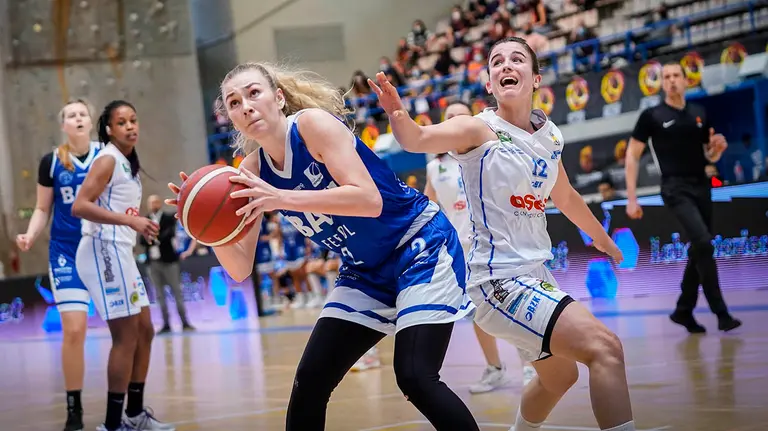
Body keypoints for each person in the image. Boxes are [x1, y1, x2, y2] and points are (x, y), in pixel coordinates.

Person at [166, 62, 478, 431]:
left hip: (419, 244)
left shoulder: (312, 125)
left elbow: (369, 200)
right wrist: (206, 229)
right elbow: (239, 268)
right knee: (310, 380)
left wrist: (281, 197)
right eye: (234, 103)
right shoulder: (250, 171)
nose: (246, 106)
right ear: (231, 119)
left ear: (278, 98)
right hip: (365, 270)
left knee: (414, 376)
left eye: (254, 93)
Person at [369, 36, 635, 431]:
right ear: (490, 83)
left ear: (536, 78)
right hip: (497, 282)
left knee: (560, 377)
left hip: (535, 275)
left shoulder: (550, 136)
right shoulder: (478, 129)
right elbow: (417, 139)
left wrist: (603, 239)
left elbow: (566, 196)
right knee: (606, 348)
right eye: (496, 62)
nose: (506, 65)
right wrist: (397, 114)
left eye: (516, 59)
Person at [72, 100, 174, 431]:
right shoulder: (107, 160)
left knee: (145, 330)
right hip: (102, 250)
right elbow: (80, 206)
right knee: (126, 336)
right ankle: (113, 424)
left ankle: (134, 414)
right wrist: (131, 223)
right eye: (121, 122)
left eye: (133, 120)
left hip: (120, 252)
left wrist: (141, 225)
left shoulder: (128, 163)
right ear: (108, 129)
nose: (130, 126)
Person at [424, 100, 534, 393]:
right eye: (450, 117)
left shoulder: (492, 151)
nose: (456, 120)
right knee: (478, 311)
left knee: (512, 304)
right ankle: (495, 368)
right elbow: (429, 207)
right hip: (460, 249)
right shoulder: (435, 167)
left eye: (462, 115)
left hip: (496, 241)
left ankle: (529, 365)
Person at [625, 62, 741, 334]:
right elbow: (632, 155)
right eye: (666, 77)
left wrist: (717, 153)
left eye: (676, 75)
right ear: (662, 83)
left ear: (686, 81)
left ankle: (683, 310)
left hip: (701, 184)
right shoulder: (652, 116)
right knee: (702, 241)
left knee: (701, 248)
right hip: (674, 188)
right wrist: (632, 198)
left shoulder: (699, 114)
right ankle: (721, 313)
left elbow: (707, 155)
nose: (672, 80)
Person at [16, 98, 100, 431]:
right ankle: (74, 408)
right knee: (75, 331)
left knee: (130, 330)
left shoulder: (107, 156)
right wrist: (30, 234)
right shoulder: (51, 162)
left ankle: (125, 405)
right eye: (70, 115)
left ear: (91, 122)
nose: (77, 118)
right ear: (63, 125)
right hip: (65, 252)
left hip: (103, 250)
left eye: (82, 113)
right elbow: (42, 208)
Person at [140, 194, 195, 334]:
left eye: (156, 202)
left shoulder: (168, 218)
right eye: (151, 202)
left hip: (169, 261)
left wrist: (152, 238)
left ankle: (184, 321)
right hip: (153, 263)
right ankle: (165, 323)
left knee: (176, 291)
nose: (154, 205)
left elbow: (168, 234)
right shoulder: (144, 220)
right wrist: (153, 239)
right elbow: (141, 240)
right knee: (159, 294)